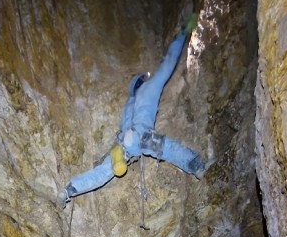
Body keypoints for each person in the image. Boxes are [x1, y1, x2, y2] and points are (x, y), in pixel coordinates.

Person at [60, 13, 204, 207]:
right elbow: (169, 62)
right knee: (168, 148)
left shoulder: (129, 103)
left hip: (123, 146)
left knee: (101, 174)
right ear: (142, 81)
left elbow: (122, 130)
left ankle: (69, 189)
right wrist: (182, 34)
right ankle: (196, 165)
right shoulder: (149, 89)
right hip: (142, 136)